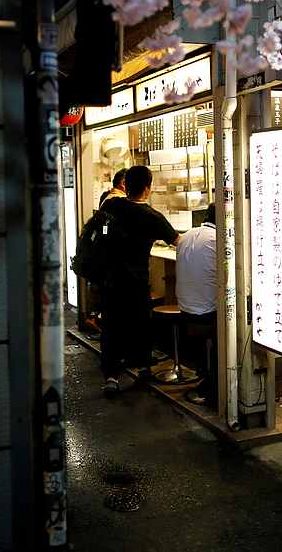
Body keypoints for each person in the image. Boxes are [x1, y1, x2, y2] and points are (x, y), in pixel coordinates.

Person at [99, 165, 179, 395]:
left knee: (112, 327)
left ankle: (112, 377)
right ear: (147, 188)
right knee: (140, 323)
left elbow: (103, 233)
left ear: (126, 184)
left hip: (111, 279)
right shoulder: (151, 216)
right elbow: (177, 241)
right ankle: (144, 369)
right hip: (136, 281)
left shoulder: (112, 206)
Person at [175, 205, 218, 407]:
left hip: (185, 311)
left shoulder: (185, 236)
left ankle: (206, 373)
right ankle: (217, 380)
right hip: (207, 315)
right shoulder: (219, 240)